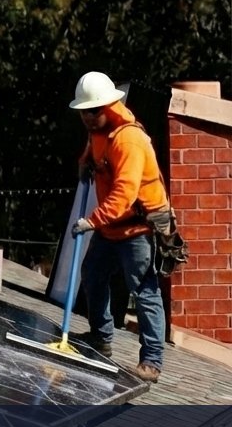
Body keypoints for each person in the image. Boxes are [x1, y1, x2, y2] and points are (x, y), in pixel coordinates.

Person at [68, 71, 169, 383]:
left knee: (144, 290)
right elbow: (93, 151)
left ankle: (151, 361)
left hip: (136, 228)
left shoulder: (129, 140)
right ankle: (101, 337)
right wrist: (84, 162)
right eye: (83, 111)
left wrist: (91, 221)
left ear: (106, 107)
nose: (85, 117)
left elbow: (124, 195)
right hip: (112, 227)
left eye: (91, 111)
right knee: (94, 274)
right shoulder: (98, 129)